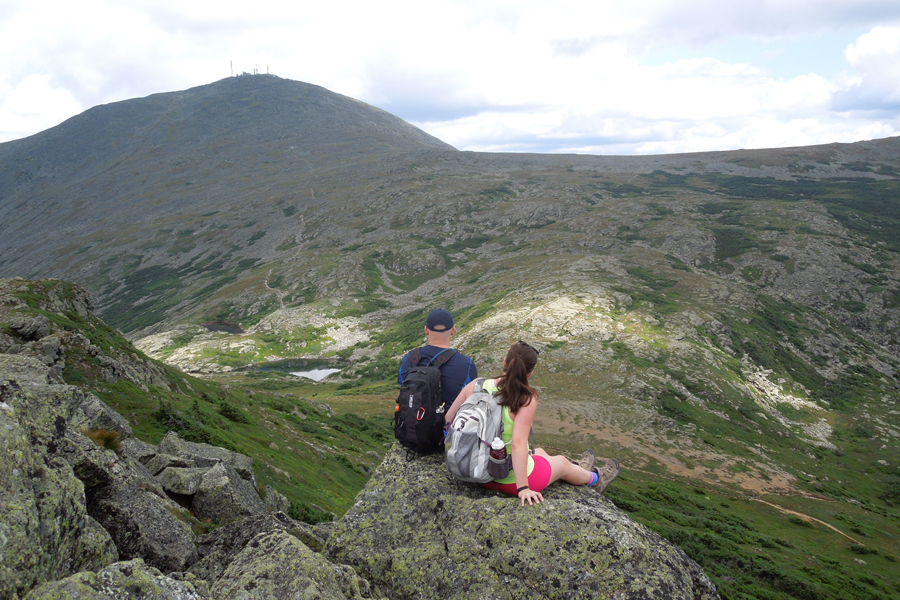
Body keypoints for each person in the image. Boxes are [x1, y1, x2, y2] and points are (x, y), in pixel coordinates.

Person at [444, 341, 620, 506]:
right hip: (504, 479)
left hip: (472, 467)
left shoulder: (477, 384)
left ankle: (580, 469)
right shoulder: (525, 398)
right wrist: (523, 488)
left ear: (504, 362)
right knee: (562, 463)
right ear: (529, 373)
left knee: (541, 452)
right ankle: (596, 479)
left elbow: (449, 419)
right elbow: (518, 444)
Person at [397, 308, 478, 412]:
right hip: (449, 426)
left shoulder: (409, 358)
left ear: (426, 330)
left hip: (411, 426)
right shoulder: (467, 364)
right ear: (453, 331)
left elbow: (402, 387)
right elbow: (472, 399)